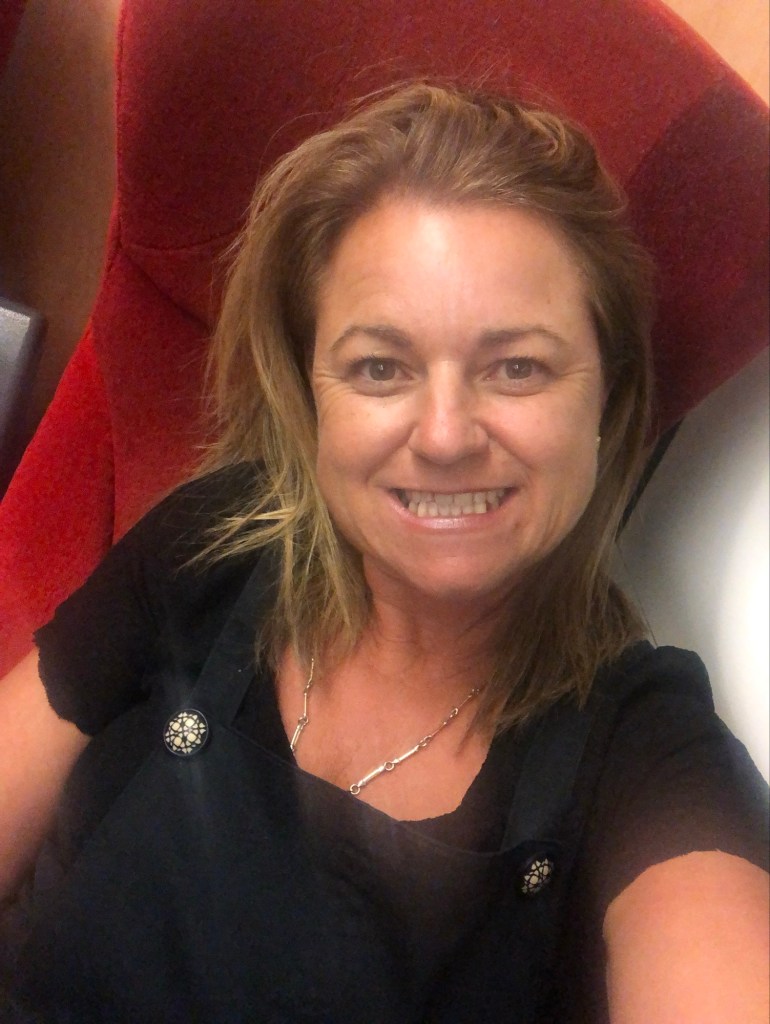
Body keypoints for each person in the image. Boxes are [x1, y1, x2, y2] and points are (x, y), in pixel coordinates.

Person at [0, 82, 767, 1023]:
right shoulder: (214, 542)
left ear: (606, 401)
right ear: (309, 395)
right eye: (379, 367)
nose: (444, 436)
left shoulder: (644, 749)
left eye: (517, 367)